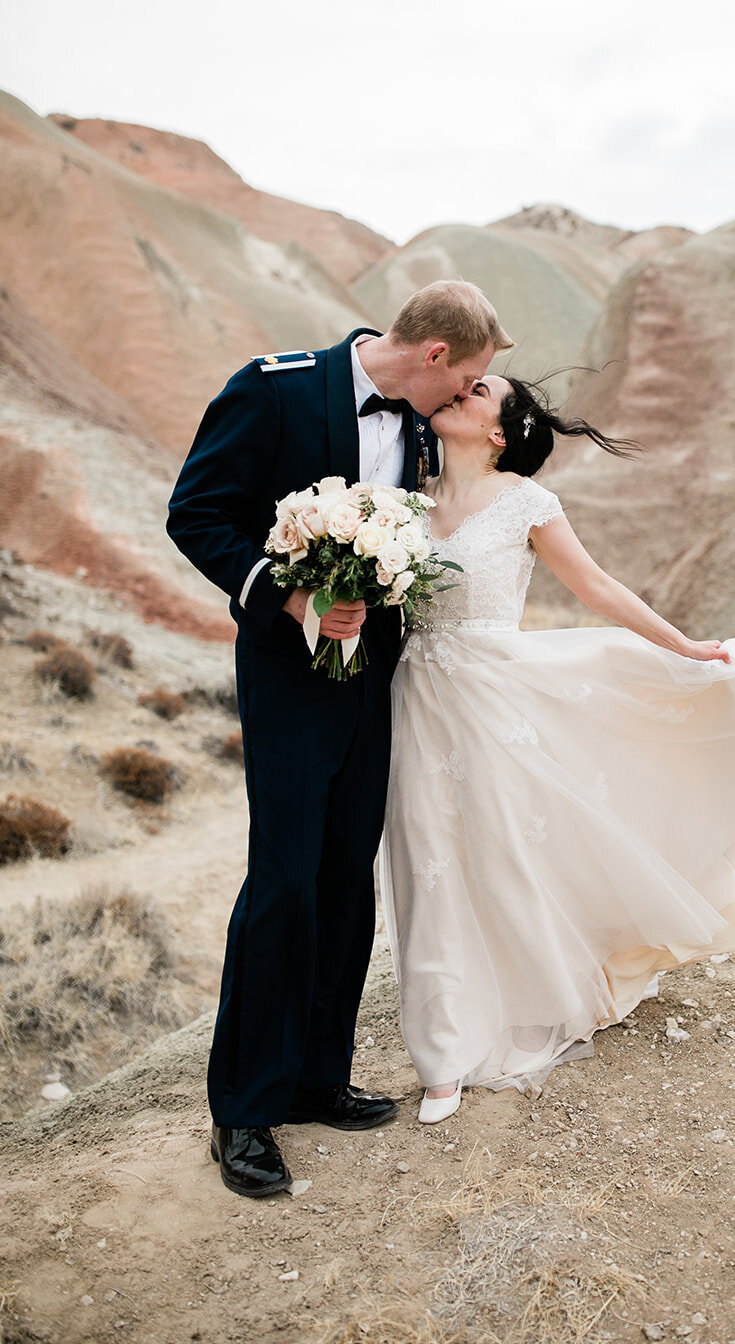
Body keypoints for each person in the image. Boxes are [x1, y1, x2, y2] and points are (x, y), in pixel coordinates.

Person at [381, 375, 735, 1123]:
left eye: (479, 390)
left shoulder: (527, 503)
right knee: (424, 862)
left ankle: (543, 989)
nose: (458, 390)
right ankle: (442, 1054)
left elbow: (594, 586)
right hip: (417, 699)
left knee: (505, 854)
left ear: (501, 432)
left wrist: (684, 646)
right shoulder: (401, 503)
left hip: (499, 699)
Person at [167, 281, 513, 1195]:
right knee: (282, 880)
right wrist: (289, 594)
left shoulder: (426, 424)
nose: (465, 398)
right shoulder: (272, 388)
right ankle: (243, 1109)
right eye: (469, 377)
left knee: (344, 874)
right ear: (433, 355)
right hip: (288, 679)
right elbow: (196, 512)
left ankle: (317, 1077)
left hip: (378, 683)